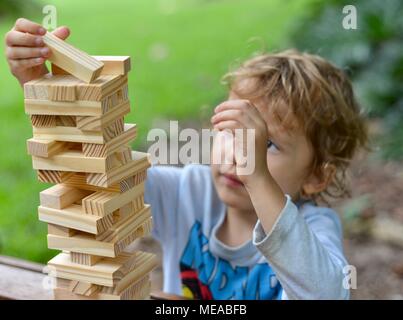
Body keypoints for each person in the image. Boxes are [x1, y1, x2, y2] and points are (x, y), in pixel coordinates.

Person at [5, 18, 368, 300]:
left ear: (317, 176)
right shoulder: (189, 190)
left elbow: (327, 292)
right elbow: (102, 175)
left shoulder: (313, 228)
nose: (239, 155)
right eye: (231, 131)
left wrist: (259, 178)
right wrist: (46, 94)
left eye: (264, 144)